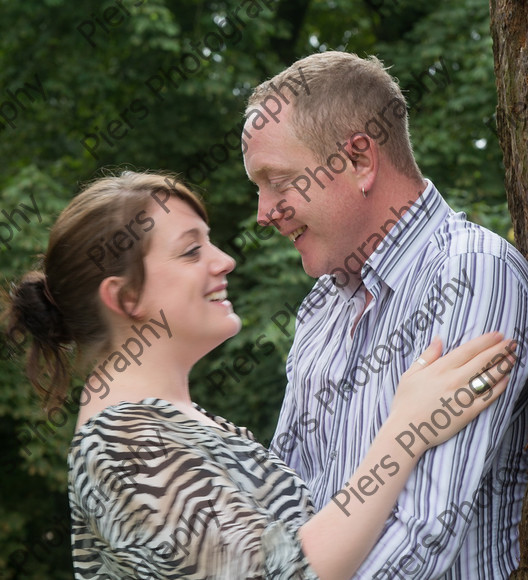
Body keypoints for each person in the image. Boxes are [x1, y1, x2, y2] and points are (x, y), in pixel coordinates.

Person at [4, 171, 517, 580]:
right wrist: (403, 435)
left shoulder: (178, 426)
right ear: (125, 298)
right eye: (191, 251)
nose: (224, 261)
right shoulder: (122, 446)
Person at [242, 51, 528, 578]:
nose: (263, 213)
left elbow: (423, 534)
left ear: (359, 160)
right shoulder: (322, 307)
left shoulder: (469, 274)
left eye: (278, 181)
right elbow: (285, 512)